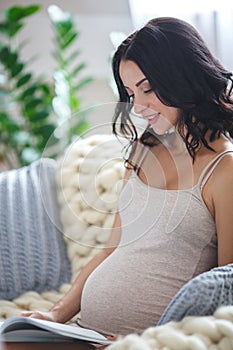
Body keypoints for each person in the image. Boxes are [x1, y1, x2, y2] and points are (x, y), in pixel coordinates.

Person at [21, 17, 233, 339]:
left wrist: (144, 342)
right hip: (85, 334)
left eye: (147, 88)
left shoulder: (224, 170)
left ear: (183, 77)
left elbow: (223, 290)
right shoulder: (143, 150)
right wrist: (54, 314)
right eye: (131, 93)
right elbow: (112, 249)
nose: (138, 107)